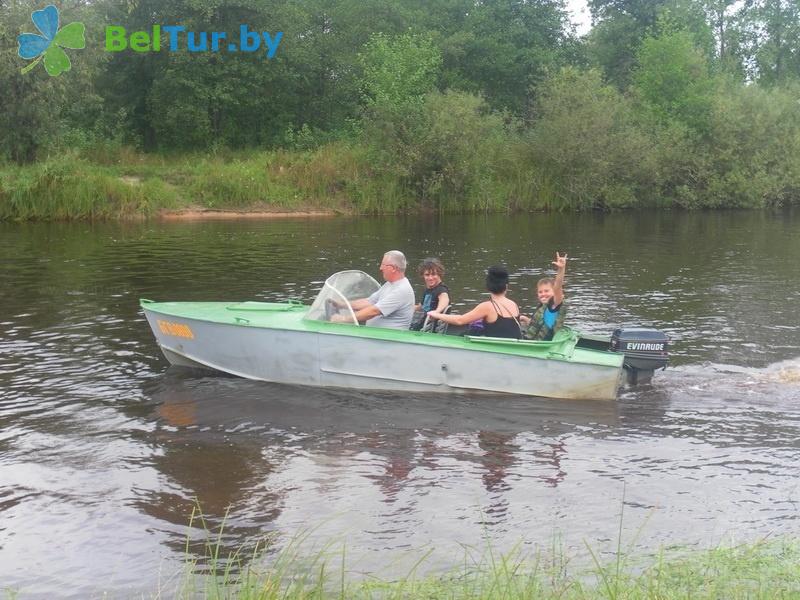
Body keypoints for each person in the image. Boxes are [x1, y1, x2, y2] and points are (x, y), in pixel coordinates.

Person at [427, 265, 522, 339]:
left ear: (488, 286)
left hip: (495, 349)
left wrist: (436, 314)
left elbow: (460, 320)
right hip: (510, 346)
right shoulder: (514, 304)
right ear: (506, 286)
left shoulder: (487, 306)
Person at [332, 250, 415, 329]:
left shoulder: (401, 290)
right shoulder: (389, 284)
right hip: (376, 337)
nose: (380, 268)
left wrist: (343, 319)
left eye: (383, 265)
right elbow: (369, 302)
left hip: (388, 340)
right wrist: (342, 304)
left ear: (393, 268)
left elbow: (374, 311)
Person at [520, 252, 567, 341]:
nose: (543, 294)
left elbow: (558, 287)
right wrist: (526, 320)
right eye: (540, 292)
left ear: (554, 293)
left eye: (547, 291)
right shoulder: (544, 307)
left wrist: (561, 269)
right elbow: (541, 324)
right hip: (531, 340)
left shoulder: (554, 305)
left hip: (540, 346)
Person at [410, 257, 450, 331]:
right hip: (423, 324)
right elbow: (421, 306)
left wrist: (437, 312)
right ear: (423, 276)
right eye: (427, 275)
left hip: (429, 329)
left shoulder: (441, 290)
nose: (430, 278)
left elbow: (444, 300)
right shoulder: (429, 290)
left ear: (439, 274)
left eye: (433, 274)